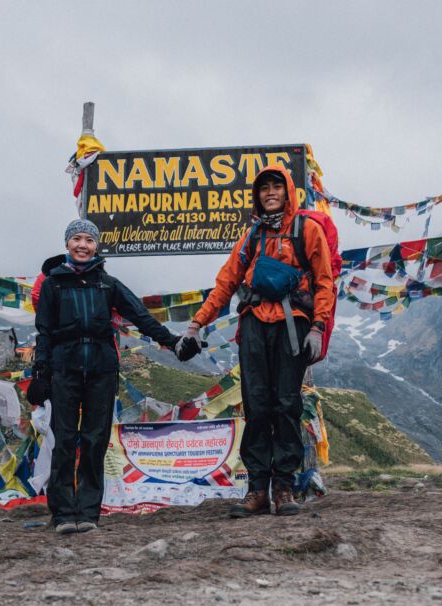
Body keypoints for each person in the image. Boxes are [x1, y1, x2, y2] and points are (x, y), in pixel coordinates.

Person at [177, 165, 334, 517]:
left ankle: (285, 488)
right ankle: (257, 489)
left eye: (277, 186)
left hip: (293, 325)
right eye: (264, 189)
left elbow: (325, 281)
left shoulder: (307, 230)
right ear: (257, 196)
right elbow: (225, 284)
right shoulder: (251, 237)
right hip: (253, 326)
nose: (270, 193)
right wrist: (196, 325)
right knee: (257, 405)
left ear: (288, 191)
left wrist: (317, 328)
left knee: (287, 405)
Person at [26, 219, 200, 534]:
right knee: (63, 441)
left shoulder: (108, 284)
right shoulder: (53, 284)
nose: (82, 245)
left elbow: (140, 316)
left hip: (102, 371)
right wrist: (40, 372)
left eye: (88, 240)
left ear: (96, 246)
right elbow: (44, 332)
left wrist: (174, 343)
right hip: (63, 371)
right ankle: (64, 514)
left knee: (95, 441)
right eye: (76, 239)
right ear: (67, 244)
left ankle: (88, 514)